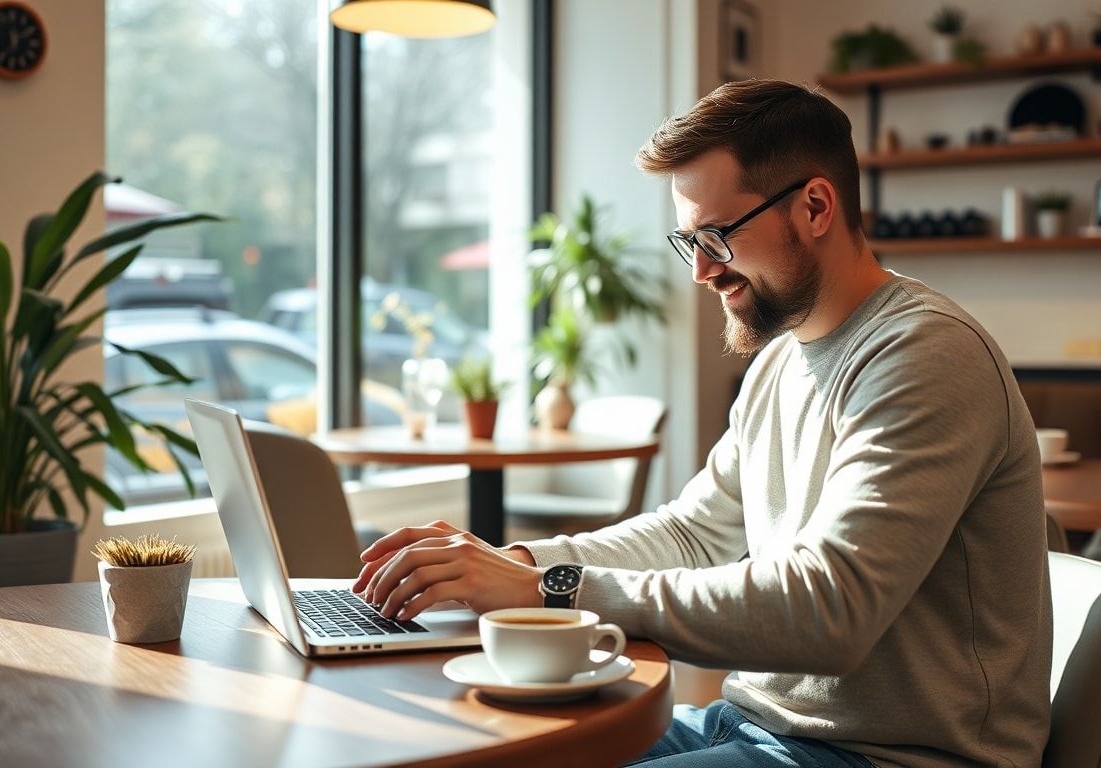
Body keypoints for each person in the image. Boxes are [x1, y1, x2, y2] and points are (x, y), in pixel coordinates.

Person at [351, 80, 1052, 767]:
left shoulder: (926, 354)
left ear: (814, 206)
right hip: (753, 722)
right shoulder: (782, 362)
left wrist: (547, 592)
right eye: (691, 242)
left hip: (890, 755)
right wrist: (519, 564)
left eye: (717, 235)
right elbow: (694, 534)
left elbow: (832, 610)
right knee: (486, 744)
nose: (703, 271)